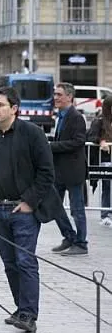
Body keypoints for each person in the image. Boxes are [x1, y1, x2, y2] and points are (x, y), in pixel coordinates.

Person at [0, 86, 63, 333]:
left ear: (14, 109)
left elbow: (46, 172)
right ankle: (20, 308)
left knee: (25, 262)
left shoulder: (32, 133)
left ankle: (28, 314)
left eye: (0, 105)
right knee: (10, 263)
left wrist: (29, 202)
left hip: (22, 212)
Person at [49, 82, 88, 255]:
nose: (55, 97)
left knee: (77, 210)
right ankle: (69, 236)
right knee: (55, 206)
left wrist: (52, 146)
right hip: (59, 171)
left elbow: (78, 142)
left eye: (59, 94)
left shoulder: (76, 117)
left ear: (69, 97)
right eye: (55, 94)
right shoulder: (60, 116)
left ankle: (81, 243)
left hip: (73, 171)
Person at [88, 96, 112, 227]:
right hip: (105, 160)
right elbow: (91, 136)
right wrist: (101, 141)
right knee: (107, 187)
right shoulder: (100, 121)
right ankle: (105, 214)